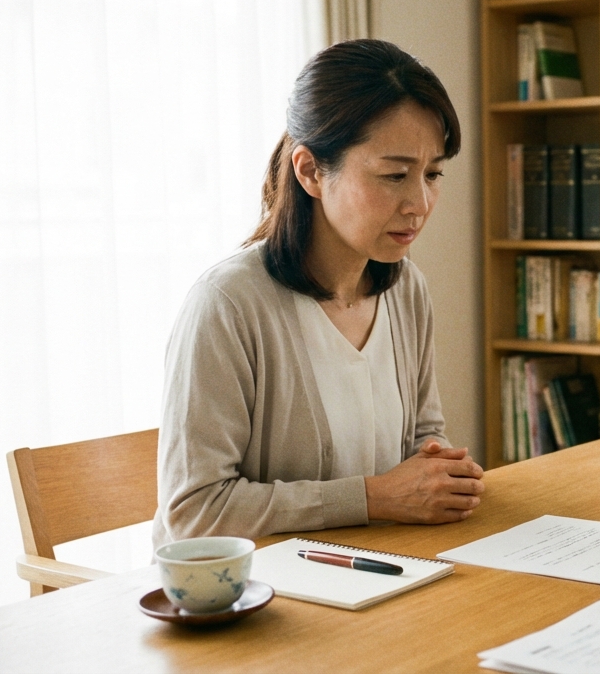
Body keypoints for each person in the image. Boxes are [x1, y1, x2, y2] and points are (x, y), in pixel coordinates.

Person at [153, 39, 484, 547]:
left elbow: (423, 435)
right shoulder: (228, 304)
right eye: (394, 175)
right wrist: (374, 498)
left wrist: (437, 468)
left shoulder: (406, 289)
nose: (419, 203)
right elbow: (193, 511)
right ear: (309, 170)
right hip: (259, 600)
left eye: (433, 174)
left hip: (378, 570)